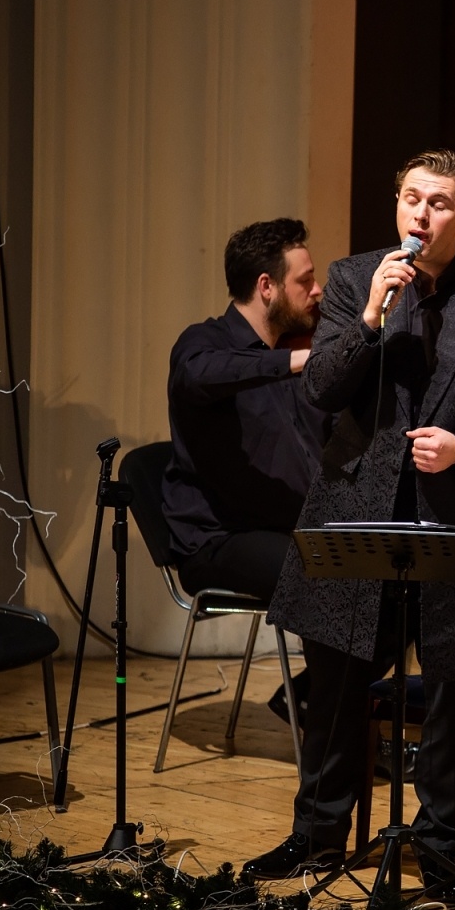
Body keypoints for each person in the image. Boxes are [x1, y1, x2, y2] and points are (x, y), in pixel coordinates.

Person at [244, 150, 455, 892]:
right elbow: (321, 389)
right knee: (340, 680)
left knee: (452, 688)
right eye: (410, 198)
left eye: (439, 203)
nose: (420, 214)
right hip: (356, 508)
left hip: (454, 515)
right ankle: (318, 835)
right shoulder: (355, 281)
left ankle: (441, 844)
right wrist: (374, 318)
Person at [163, 216, 325, 626]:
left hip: (286, 528)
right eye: (305, 281)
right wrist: (293, 361)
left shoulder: (293, 353)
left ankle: (318, 690)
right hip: (220, 538)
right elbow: (198, 374)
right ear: (266, 286)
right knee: (326, 579)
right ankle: (327, 692)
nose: (317, 290)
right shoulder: (204, 342)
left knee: (391, 579)